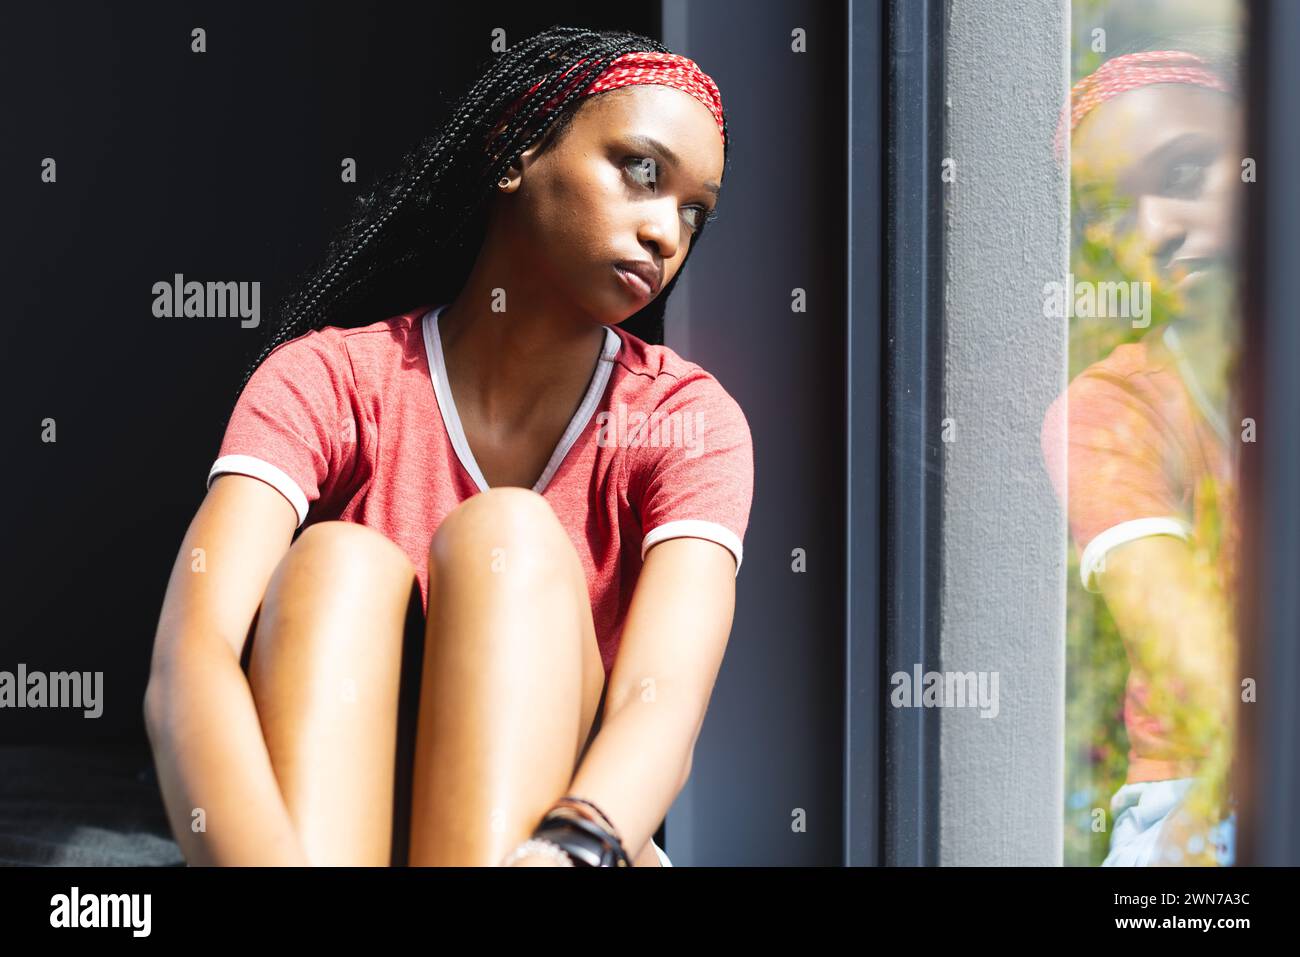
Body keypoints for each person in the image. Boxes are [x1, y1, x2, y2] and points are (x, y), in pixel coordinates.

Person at [143, 25, 753, 868]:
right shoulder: (328, 378)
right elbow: (192, 656)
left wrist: (575, 845)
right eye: (640, 171)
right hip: (321, 834)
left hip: (563, 846)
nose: (665, 234)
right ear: (514, 153)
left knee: (509, 536)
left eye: (695, 213)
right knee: (334, 563)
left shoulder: (686, 420)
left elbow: (664, 702)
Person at [1041, 43, 1244, 866]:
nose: (1158, 230)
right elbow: (1198, 671)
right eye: (1113, 211)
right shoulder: (1110, 411)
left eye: (1189, 170)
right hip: (1202, 799)